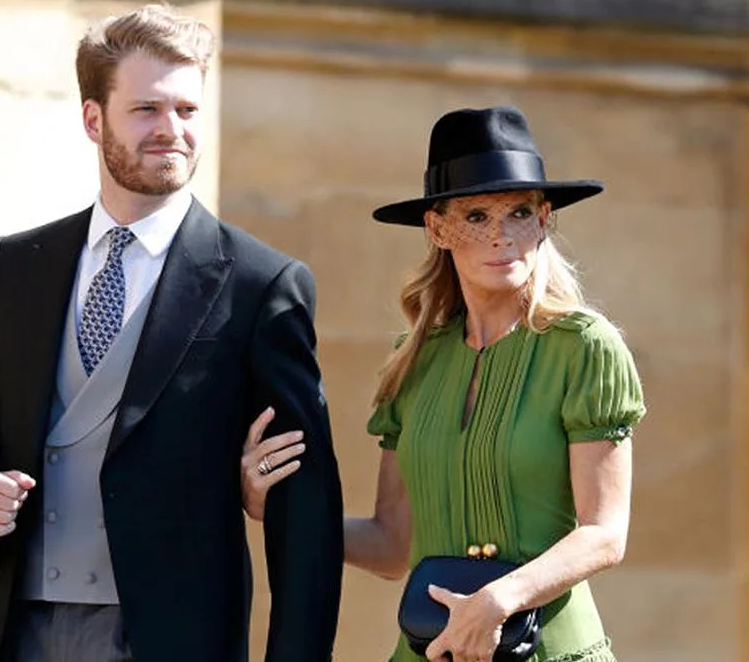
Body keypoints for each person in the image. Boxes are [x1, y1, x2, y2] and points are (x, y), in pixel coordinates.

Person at [0, 3, 344, 662]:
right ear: (95, 119)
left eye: (188, 111)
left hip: (178, 635)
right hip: (26, 629)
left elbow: (305, 513)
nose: (172, 130)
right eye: (147, 109)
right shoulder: (17, 266)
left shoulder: (263, 283)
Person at [242, 106, 646, 662]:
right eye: (477, 216)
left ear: (545, 219)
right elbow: (391, 545)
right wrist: (280, 506)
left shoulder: (584, 346)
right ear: (437, 228)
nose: (502, 236)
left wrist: (497, 601)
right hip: (429, 651)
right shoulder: (415, 361)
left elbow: (605, 533)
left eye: (521, 212)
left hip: (551, 650)